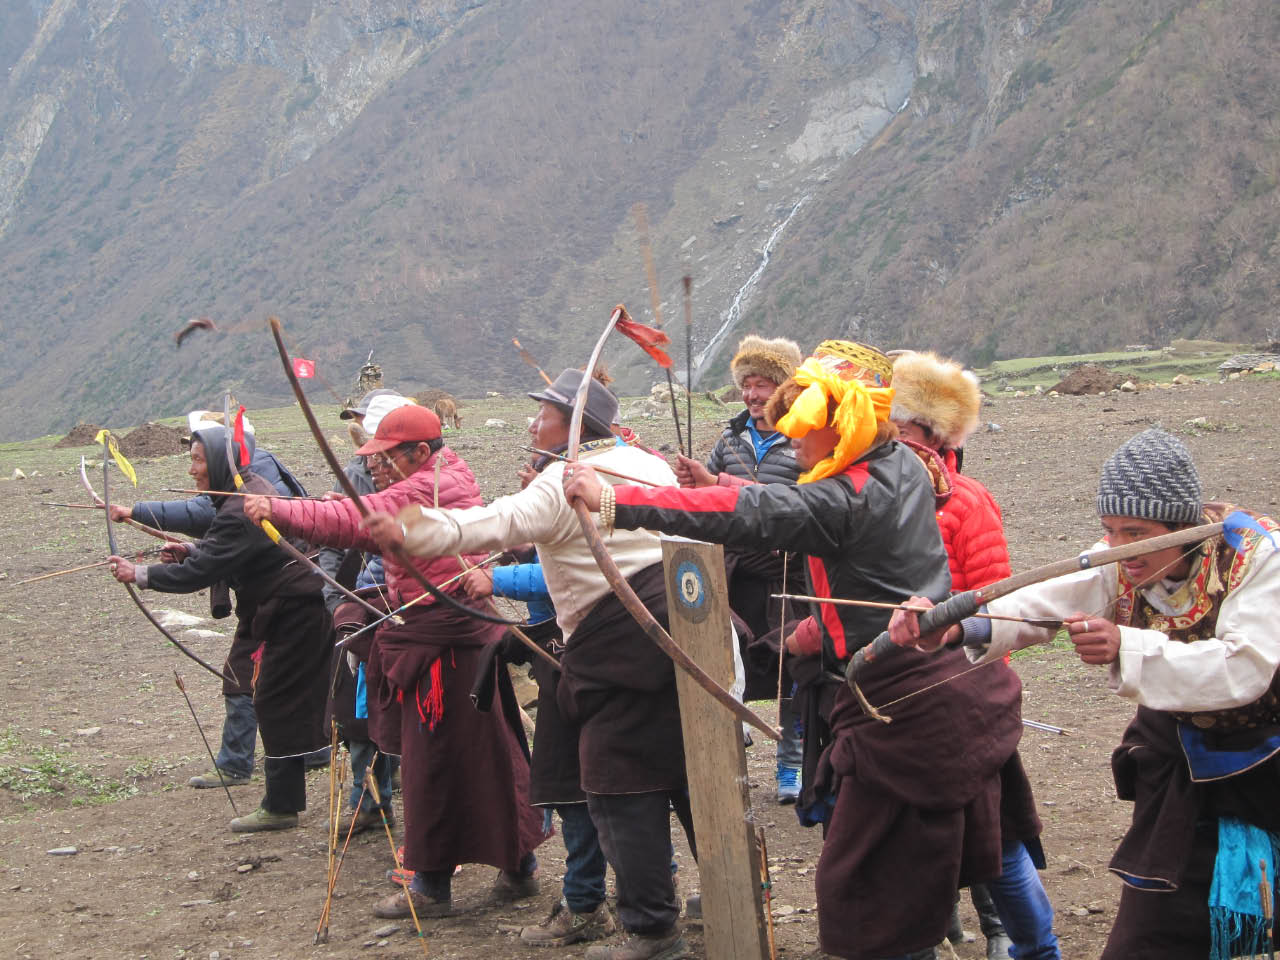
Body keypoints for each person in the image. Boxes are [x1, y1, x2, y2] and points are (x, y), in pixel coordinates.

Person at [562, 341, 1034, 960]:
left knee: (872, 884)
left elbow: (750, 510)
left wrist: (612, 500)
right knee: (948, 858)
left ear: (845, 426)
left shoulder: (847, 498)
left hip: (900, 706)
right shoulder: (900, 466)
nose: (794, 442)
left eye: (807, 429)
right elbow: (765, 498)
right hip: (940, 691)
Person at [895, 428, 1280, 960]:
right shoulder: (1119, 558)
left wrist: (1126, 644)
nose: (1121, 549)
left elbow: (1245, 668)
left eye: (1136, 532)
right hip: (1181, 770)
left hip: (1265, 765)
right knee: (1152, 932)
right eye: (1110, 531)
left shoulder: (1254, 556)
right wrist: (955, 627)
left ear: (1185, 525)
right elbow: (1038, 604)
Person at [363, 369, 693, 960]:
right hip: (688, 643)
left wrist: (412, 530)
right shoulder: (650, 464)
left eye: (544, 413)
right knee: (694, 780)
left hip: (622, 657)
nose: (533, 423)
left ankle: (652, 932)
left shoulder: (564, 477)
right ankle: (713, 899)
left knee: (622, 791)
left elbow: (493, 522)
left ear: (573, 422)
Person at [244, 404, 544, 920]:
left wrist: (281, 510)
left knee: (433, 766)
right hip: (460, 637)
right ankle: (517, 866)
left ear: (421, 452)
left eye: (391, 456)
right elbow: (365, 512)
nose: (384, 465)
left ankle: (431, 885)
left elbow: (354, 523)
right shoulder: (447, 474)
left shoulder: (425, 490)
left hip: (445, 648)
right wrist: (346, 506)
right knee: (485, 758)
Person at [889, 350, 1059, 960]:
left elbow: (998, 598)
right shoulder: (878, 498)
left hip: (962, 687)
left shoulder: (966, 501)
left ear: (935, 437)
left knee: (995, 839)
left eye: (904, 431)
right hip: (903, 694)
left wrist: (980, 679)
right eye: (888, 430)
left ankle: (1027, 945)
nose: (893, 442)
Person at [107, 425, 331, 832]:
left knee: (276, 703)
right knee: (281, 699)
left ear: (218, 462)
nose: (192, 469)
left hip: (295, 612)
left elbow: (204, 570)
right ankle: (303, 778)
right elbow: (224, 552)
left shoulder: (241, 506)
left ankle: (283, 805)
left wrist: (138, 573)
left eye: (197, 460)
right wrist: (190, 549)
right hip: (288, 608)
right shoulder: (243, 492)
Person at [674, 333, 807, 803]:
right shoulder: (730, 439)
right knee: (729, 660)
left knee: (794, 668)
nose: (752, 394)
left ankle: (792, 763)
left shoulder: (807, 442)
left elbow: (806, 506)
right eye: (747, 384)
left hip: (788, 576)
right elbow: (705, 501)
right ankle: (732, 752)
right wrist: (691, 487)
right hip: (734, 576)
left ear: (787, 389)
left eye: (763, 384)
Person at [316, 390, 411, 834]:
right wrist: (337, 598)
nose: (373, 461)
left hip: (386, 605)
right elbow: (336, 538)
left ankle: (377, 798)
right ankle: (370, 798)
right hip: (363, 603)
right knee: (362, 706)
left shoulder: (420, 480)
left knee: (376, 706)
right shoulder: (359, 472)